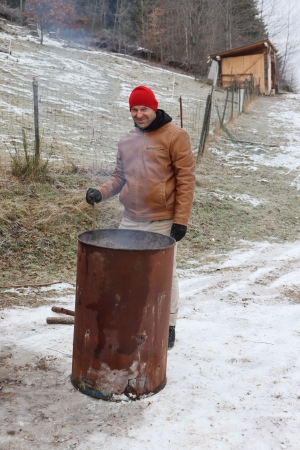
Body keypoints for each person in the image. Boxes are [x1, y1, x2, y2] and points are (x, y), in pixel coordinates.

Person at [86, 85, 195, 348]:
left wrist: (181, 219)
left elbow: (186, 180)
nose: (138, 114)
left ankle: (167, 325)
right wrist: (101, 192)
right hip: (130, 219)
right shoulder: (127, 140)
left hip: (161, 220)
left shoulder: (175, 136)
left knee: (163, 274)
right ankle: (132, 318)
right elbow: (119, 176)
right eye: (133, 109)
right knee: (125, 271)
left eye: (143, 108)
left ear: (154, 107)